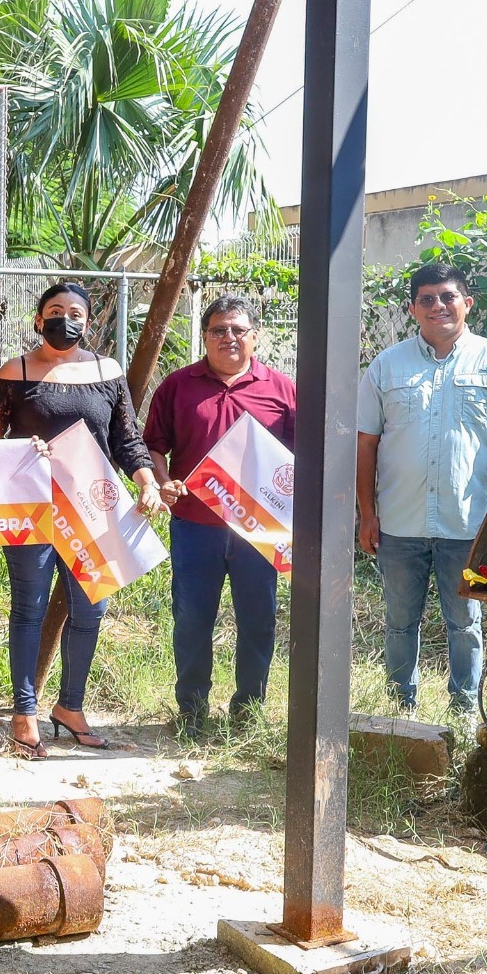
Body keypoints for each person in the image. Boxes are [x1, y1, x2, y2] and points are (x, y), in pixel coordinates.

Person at [0, 282, 163, 758]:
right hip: (33, 508)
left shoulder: (107, 371)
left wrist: (146, 480)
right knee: (29, 609)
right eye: (54, 311)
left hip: (91, 510)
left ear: (88, 321)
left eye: (74, 312)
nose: (65, 319)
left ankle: (70, 707)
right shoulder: (15, 371)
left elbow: (125, 439)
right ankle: (23, 712)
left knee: (91, 610)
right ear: (38, 321)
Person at [356, 263, 487, 715]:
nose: (438, 306)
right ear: (413, 308)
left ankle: (464, 710)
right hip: (399, 522)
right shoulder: (386, 366)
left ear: (467, 303)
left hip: (471, 523)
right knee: (399, 622)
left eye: (448, 296)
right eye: (427, 299)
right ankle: (401, 710)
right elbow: (366, 443)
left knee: (466, 623)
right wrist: (367, 513)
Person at [145, 295, 297, 736]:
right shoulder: (178, 385)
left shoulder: (282, 389)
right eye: (218, 330)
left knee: (258, 619)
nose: (228, 337)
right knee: (192, 618)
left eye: (237, 329)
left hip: (259, 530)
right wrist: (162, 480)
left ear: (255, 337)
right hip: (195, 525)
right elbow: (153, 444)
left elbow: (302, 457)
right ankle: (192, 712)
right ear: (205, 337)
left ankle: (248, 711)